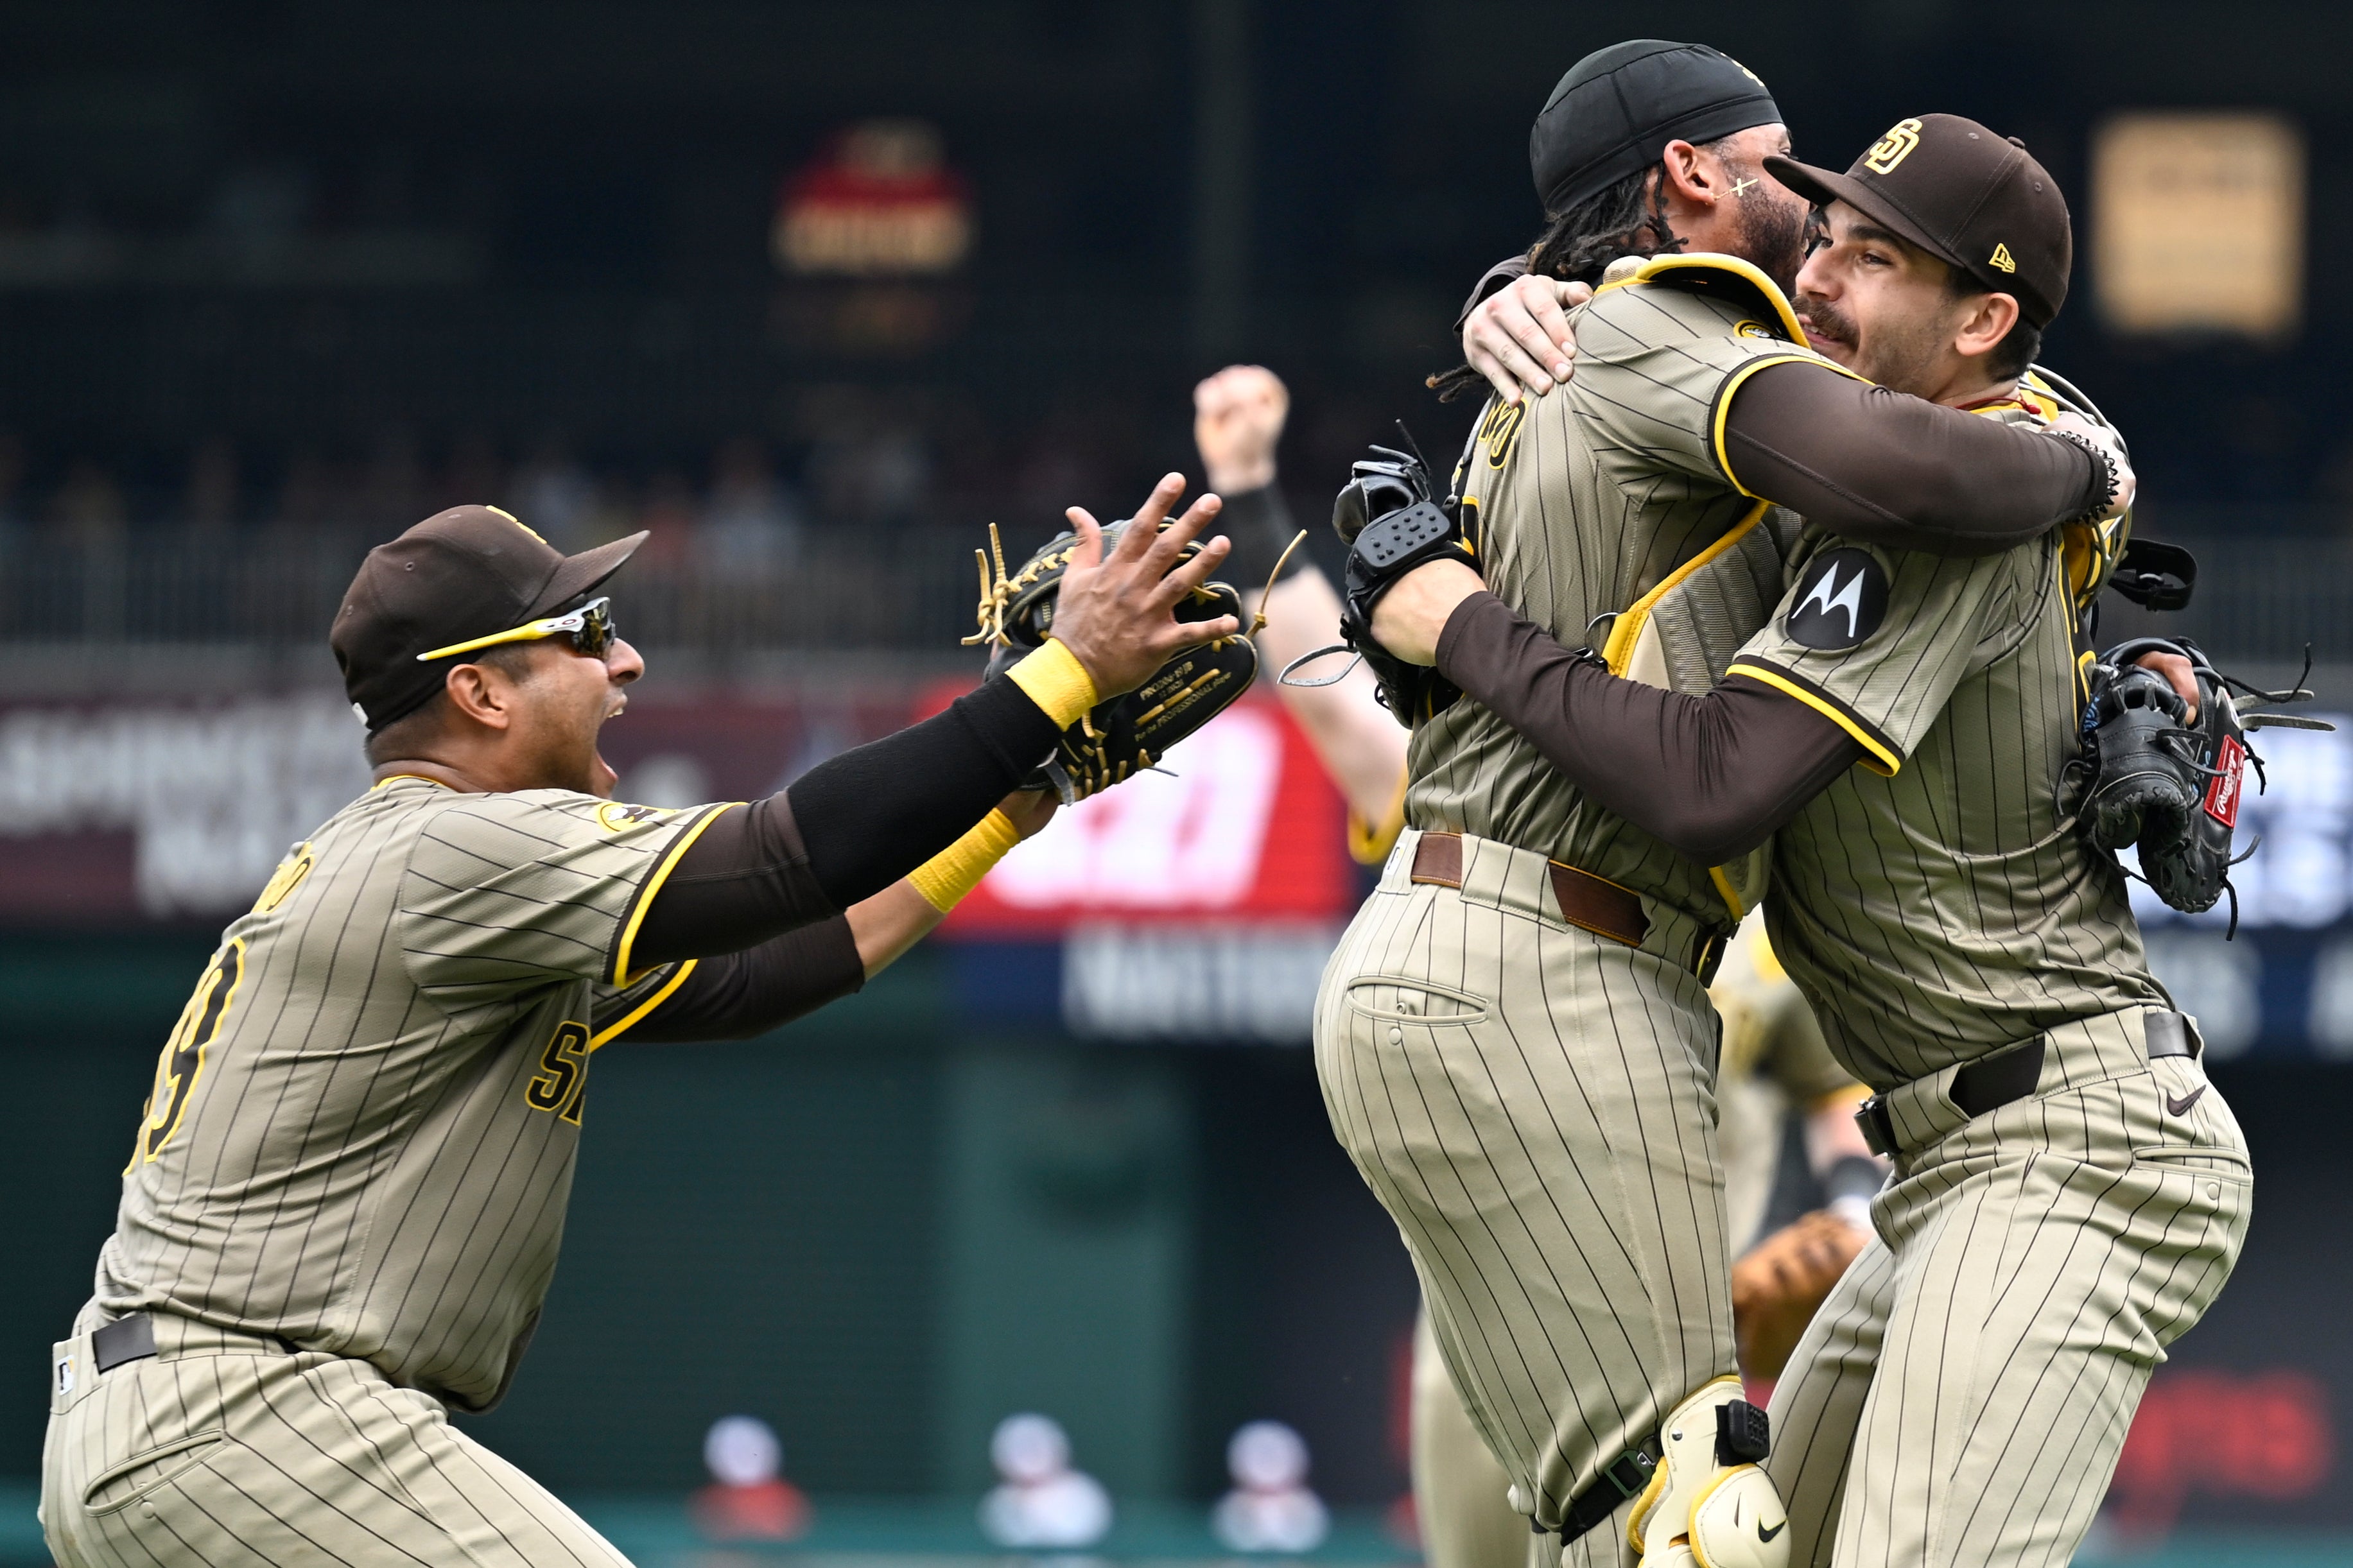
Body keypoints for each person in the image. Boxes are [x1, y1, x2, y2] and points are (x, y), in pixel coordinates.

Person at [42, 482, 1238, 1568]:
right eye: (586, 633)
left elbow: (757, 975)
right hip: (245, 1419)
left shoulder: (454, 878)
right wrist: (1055, 677)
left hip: (178, 1425)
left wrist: (1013, 806)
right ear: (478, 691)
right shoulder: (454, 849)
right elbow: (788, 857)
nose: (626, 663)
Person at [1370, 116, 2247, 1568]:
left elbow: (1716, 785)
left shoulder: (1942, 507)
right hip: (1948, 1170)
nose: (1824, 276)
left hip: (2075, 1154)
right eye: (1826, 234)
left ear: (1983, 319)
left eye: (1878, 258)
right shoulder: (1859, 458)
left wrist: (1456, 626)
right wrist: (1517, 294)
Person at [1195, 365, 1878, 1568]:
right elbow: (1331, 703)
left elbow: (1836, 1108)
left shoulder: (1749, 884)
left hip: (1683, 1323)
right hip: (1499, 1324)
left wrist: (1850, 1220)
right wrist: (1249, 494)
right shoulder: (1495, 798)